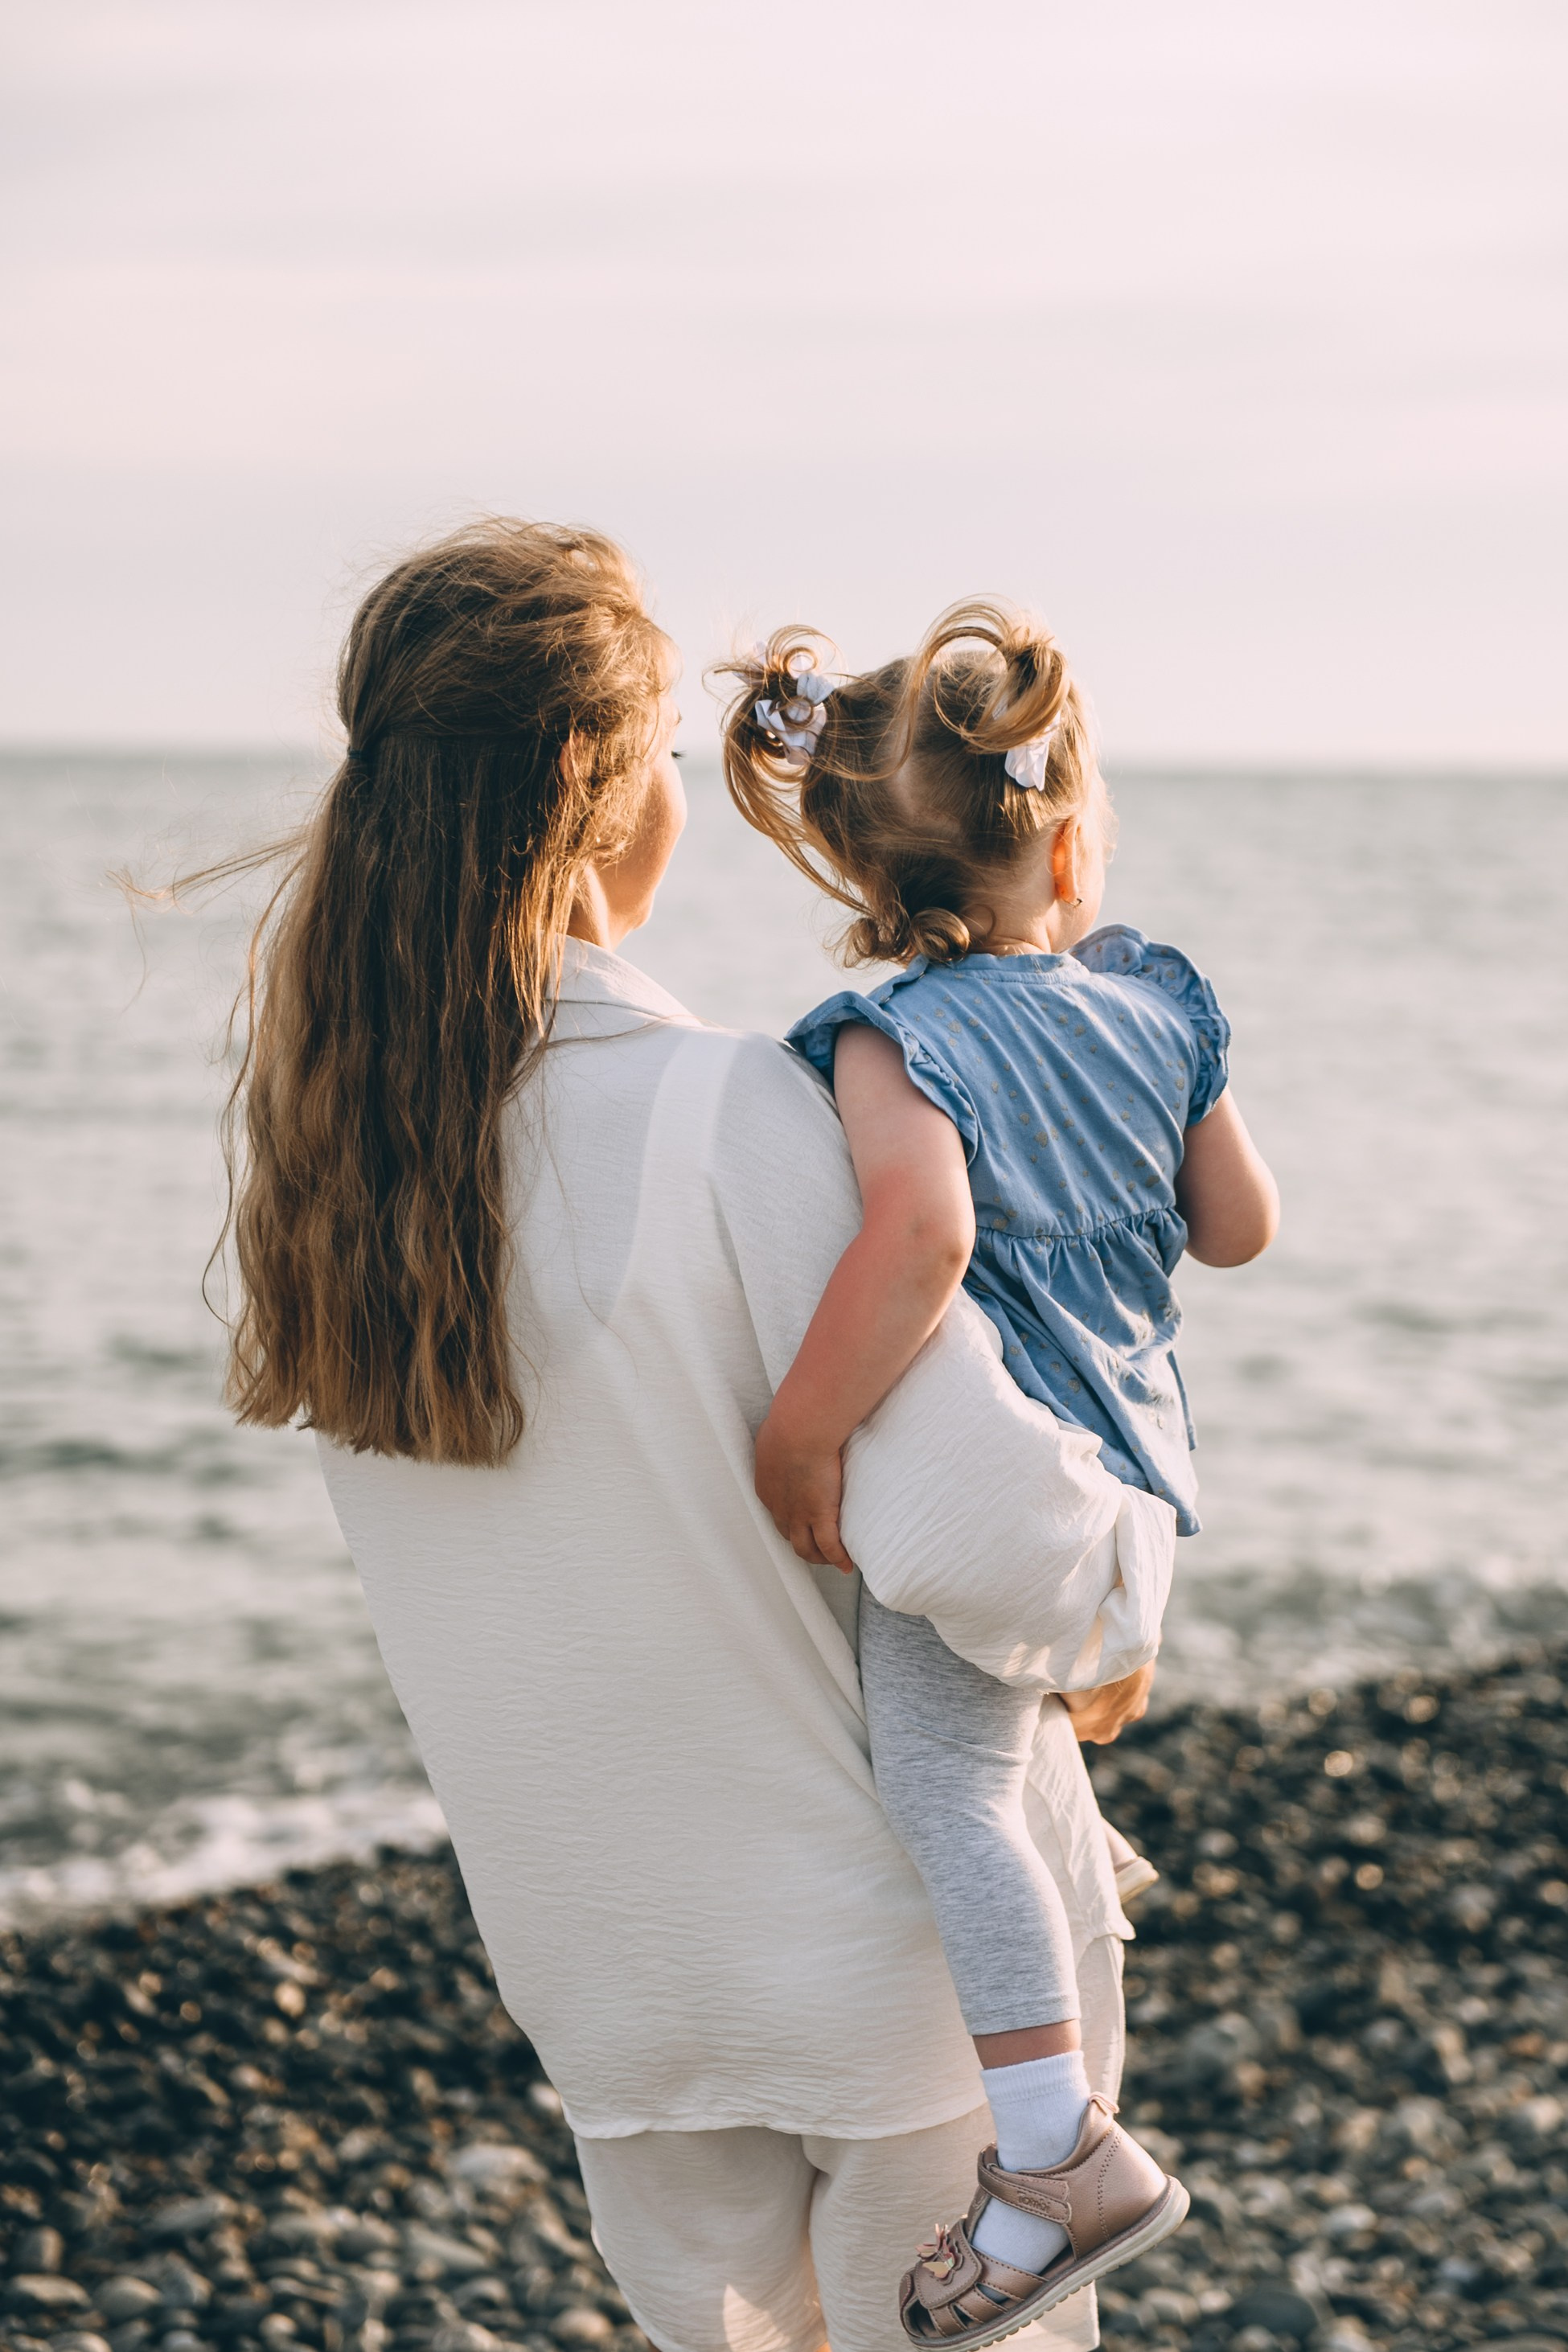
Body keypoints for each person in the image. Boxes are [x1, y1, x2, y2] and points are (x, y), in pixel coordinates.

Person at [214, 521, 1177, 2352]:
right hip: (887, 1986)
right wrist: (1125, 1588)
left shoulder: (341, 1174)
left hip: (622, 1988)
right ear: (596, 783)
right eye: (658, 753)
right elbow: (977, 1530)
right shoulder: (731, 1105)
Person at [719, 605, 1279, 2340]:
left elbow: (924, 1234)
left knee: (942, 1783)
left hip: (1005, 1501)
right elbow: (1239, 1230)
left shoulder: (895, 1043)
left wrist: (799, 1427)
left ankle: (1055, 2148)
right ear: (1063, 825)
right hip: (1135, 1498)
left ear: (864, 873)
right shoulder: (1157, 996)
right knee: (1010, 1755)